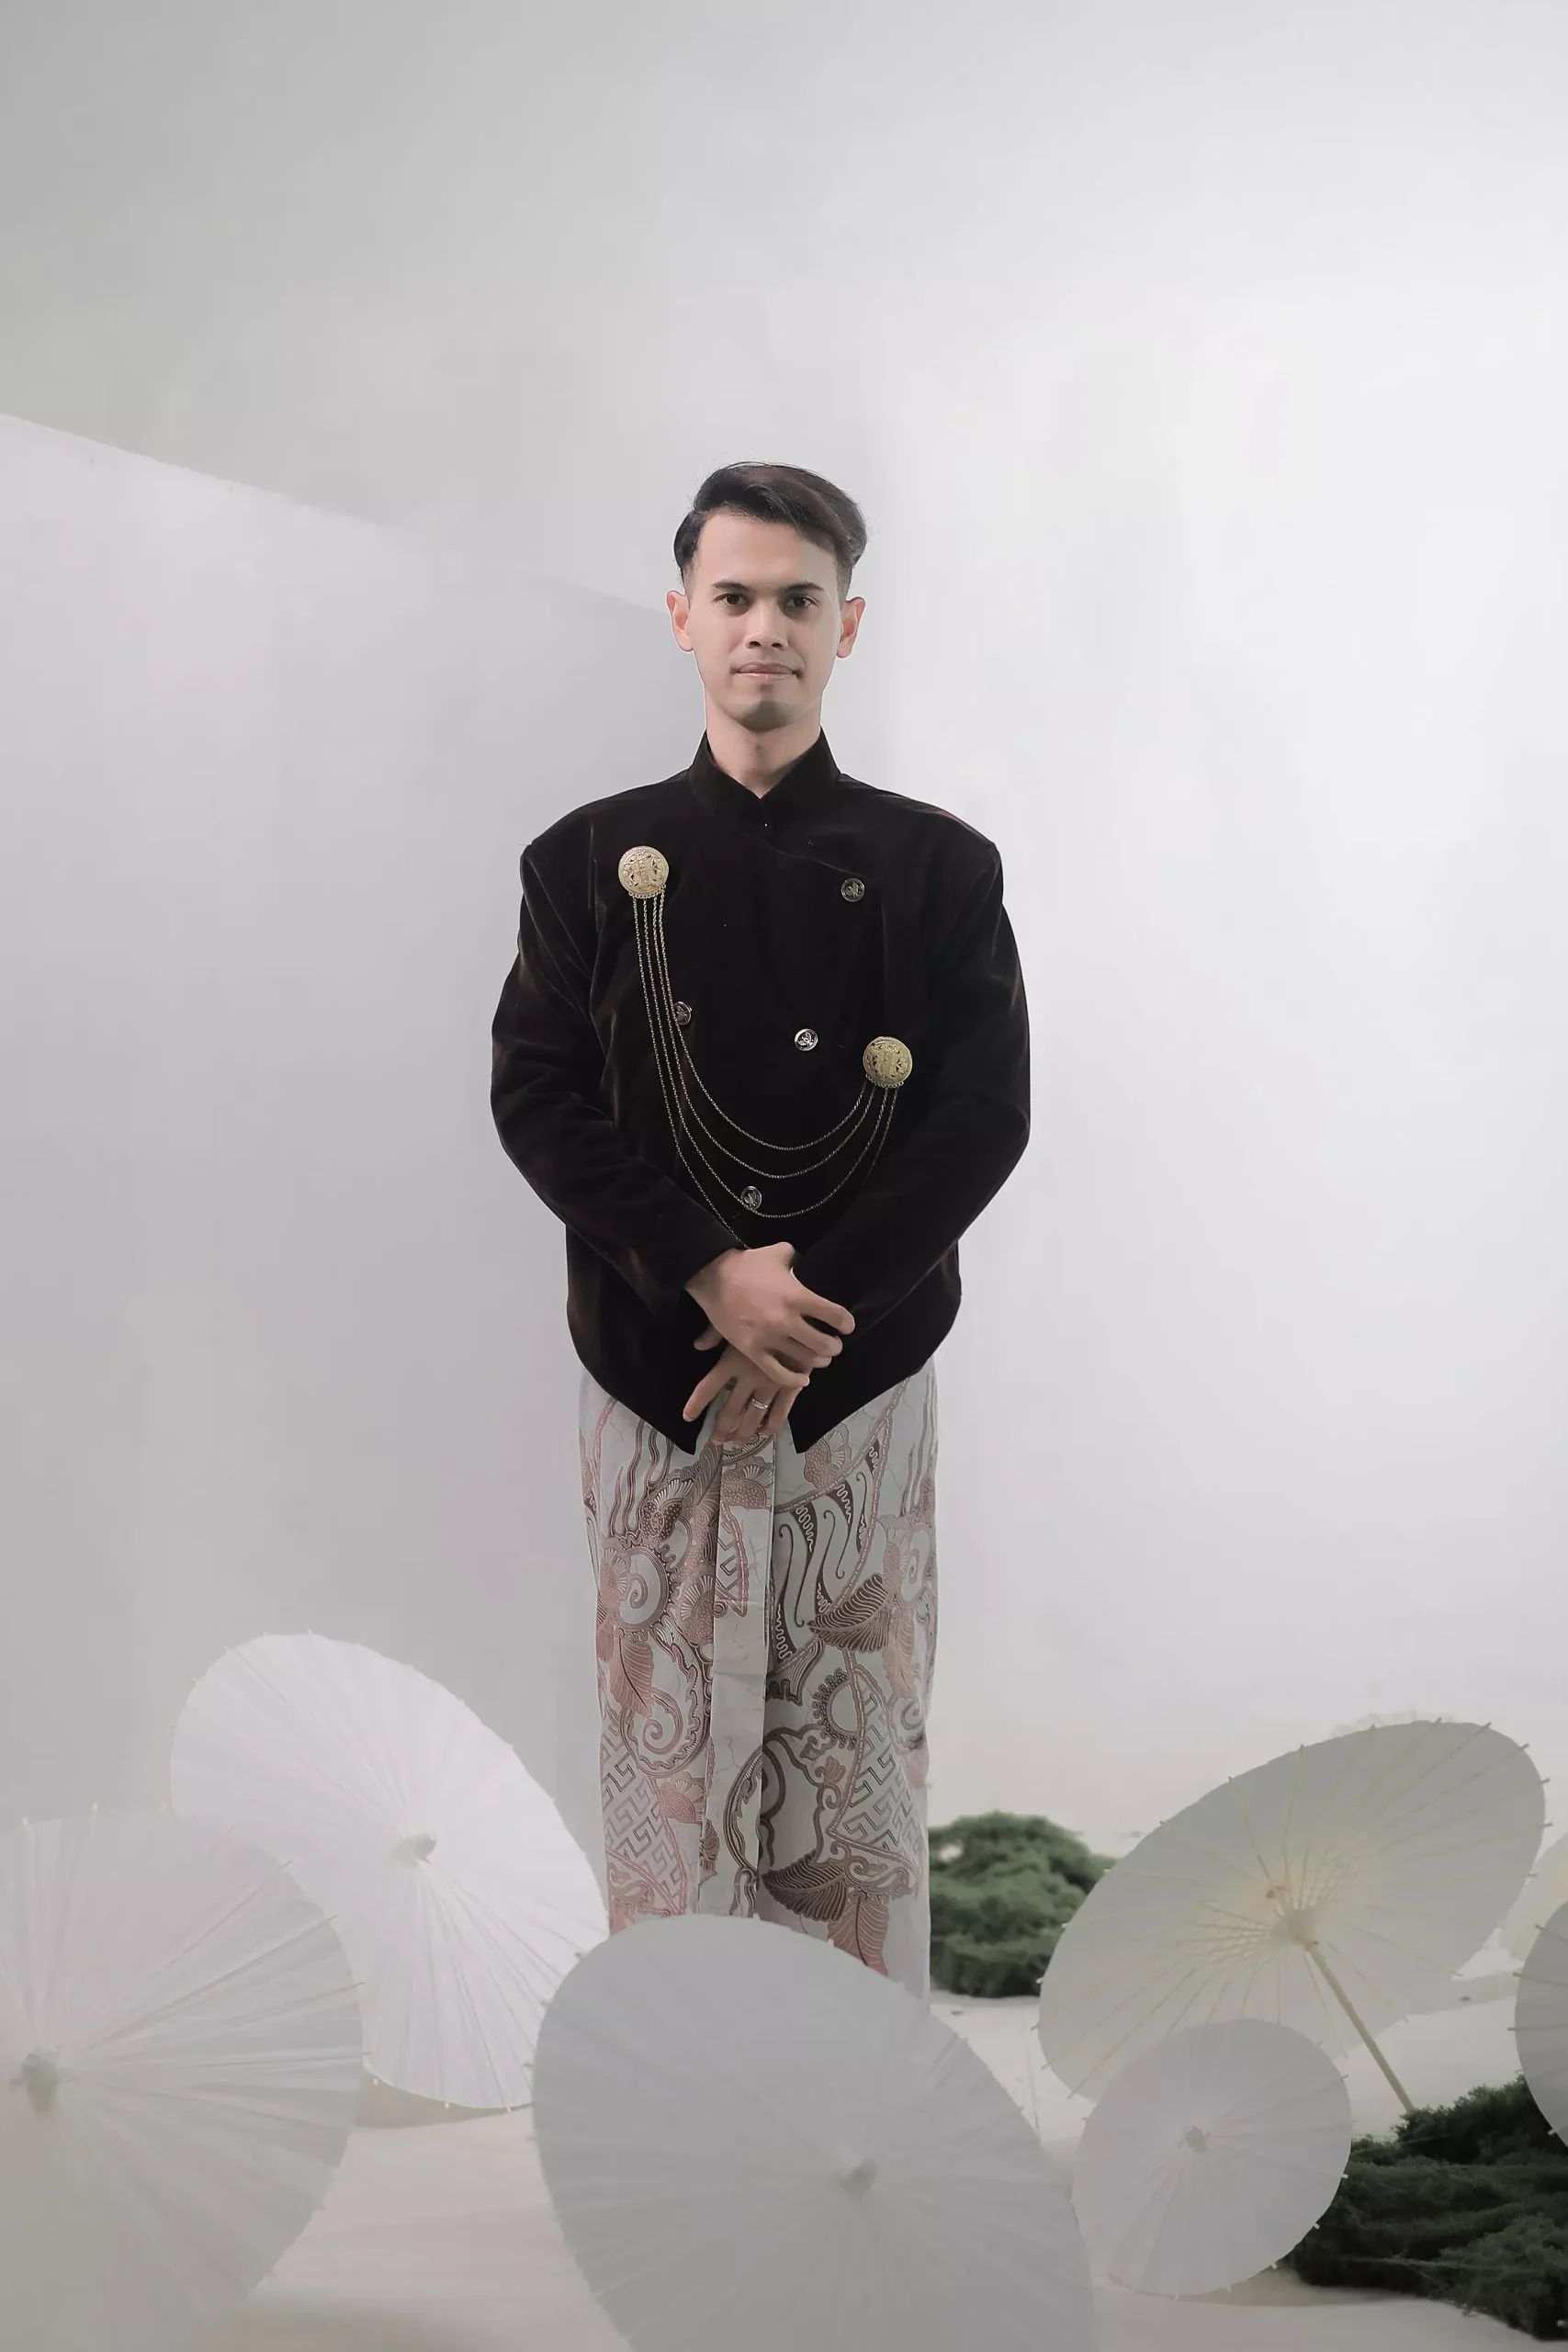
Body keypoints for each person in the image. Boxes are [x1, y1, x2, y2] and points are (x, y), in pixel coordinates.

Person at [491, 461, 1029, 1996]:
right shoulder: (582, 861)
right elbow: (538, 1096)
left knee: (851, 1755)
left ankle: (854, 2093)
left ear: (846, 625)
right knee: (660, 1751)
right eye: (733, 597)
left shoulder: (939, 867)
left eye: (798, 599)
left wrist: (807, 1309)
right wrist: (705, 1269)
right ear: (682, 617)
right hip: (651, 1366)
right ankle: (671, 2076)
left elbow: (982, 1115)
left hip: (860, 1376)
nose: (763, 628)